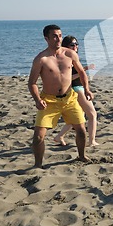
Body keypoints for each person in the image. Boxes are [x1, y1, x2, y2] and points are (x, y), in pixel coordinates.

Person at [28, 24, 93, 168]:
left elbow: (82, 72)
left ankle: (81, 156)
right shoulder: (41, 59)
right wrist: (38, 100)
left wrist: (87, 89)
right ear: (46, 38)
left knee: (81, 131)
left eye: (60, 35)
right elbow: (32, 82)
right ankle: (38, 165)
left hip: (69, 98)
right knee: (38, 137)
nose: (58, 39)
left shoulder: (70, 54)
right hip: (49, 101)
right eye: (54, 36)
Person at [53, 35, 99, 147]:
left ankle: (59, 136)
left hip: (78, 88)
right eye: (72, 45)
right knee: (92, 114)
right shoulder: (66, 58)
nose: (75, 47)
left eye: (76, 44)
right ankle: (91, 141)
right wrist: (82, 72)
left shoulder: (72, 57)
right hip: (75, 89)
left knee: (78, 117)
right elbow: (67, 77)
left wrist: (84, 69)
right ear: (66, 46)